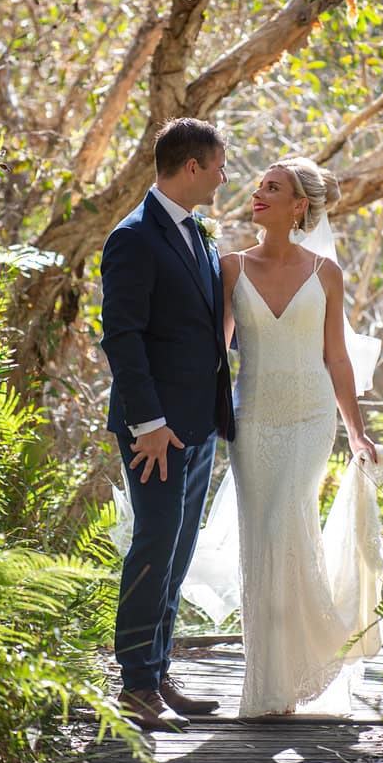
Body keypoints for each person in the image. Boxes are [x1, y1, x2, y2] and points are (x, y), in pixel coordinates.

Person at [217, 156, 383, 717]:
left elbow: (336, 357)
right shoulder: (231, 268)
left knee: (288, 522)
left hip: (312, 417)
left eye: (274, 188)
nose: (259, 193)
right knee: (262, 539)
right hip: (254, 417)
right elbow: (217, 354)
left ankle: (320, 648)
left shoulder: (326, 274)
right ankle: (271, 683)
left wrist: (356, 433)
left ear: (300, 208)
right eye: (259, 184)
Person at [100, 117, 234, 732]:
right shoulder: (133, 237)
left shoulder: (197, 234)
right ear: (192, 168)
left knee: (178, 552)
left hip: (198, 424)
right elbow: (122, 337)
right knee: (154, 546)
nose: (224, 177)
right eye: (219, 166)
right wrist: (148, 422)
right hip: (154, 430)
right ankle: (133, 690)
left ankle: (155, 673)